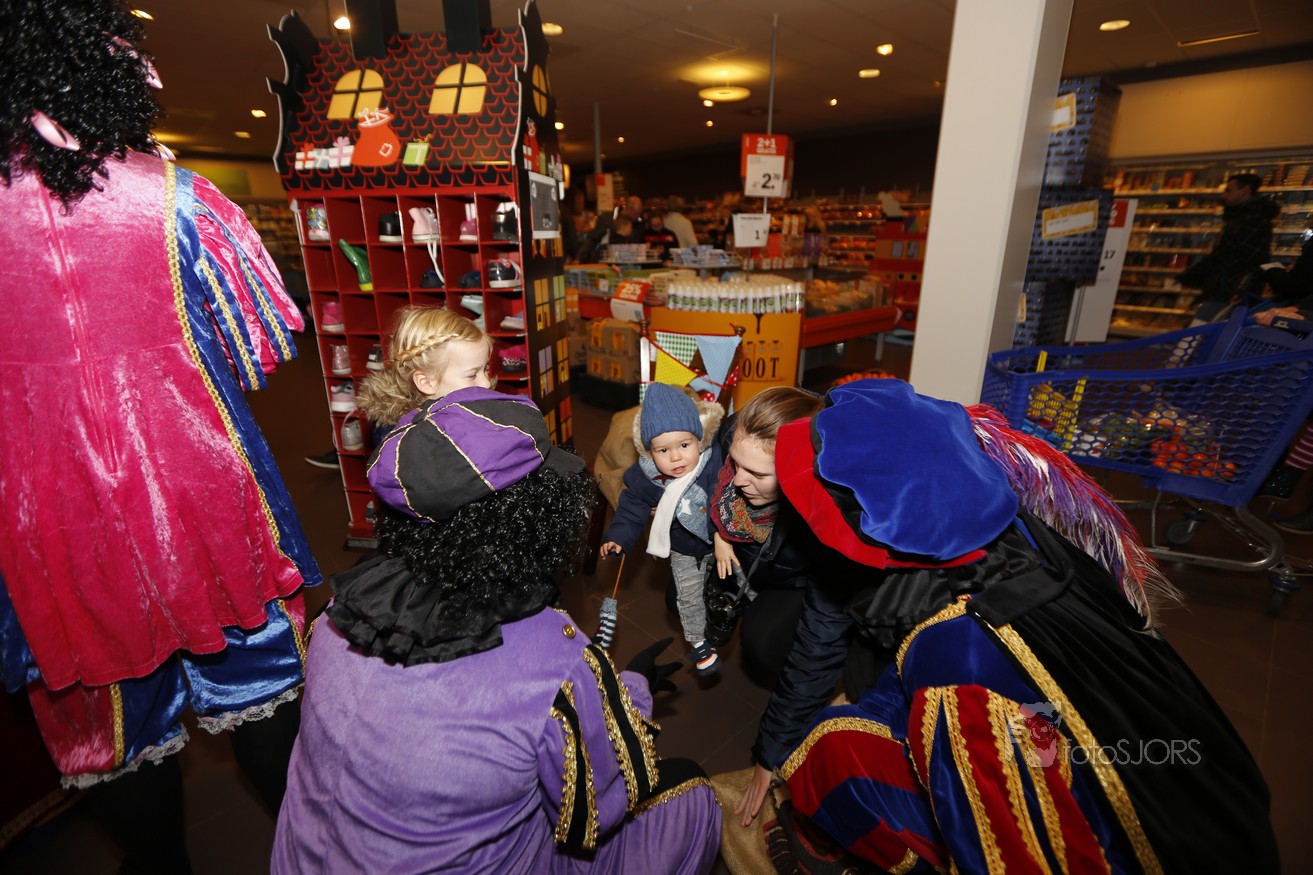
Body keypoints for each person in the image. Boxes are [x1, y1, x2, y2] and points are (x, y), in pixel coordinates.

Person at [0, 3, 320, 871]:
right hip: (197, 485)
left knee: (105, 719)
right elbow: (256, 348)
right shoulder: (175, 196)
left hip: (46, 516)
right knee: (260, 677)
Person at [754, 380, 1279, 872]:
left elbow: (1010, 847)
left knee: (833, 756)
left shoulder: (956, 659)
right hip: (1192, 795)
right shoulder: (1019, 545)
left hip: (1111, 836)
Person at [272, 386, 722, 874]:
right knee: (690, 790)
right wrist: (632, 690)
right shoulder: (555, 662)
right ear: (534, 514)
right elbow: (595, 809)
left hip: (300, 861)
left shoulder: (342, 612)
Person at [600, 384, 725, 674]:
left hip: (721, 540)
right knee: (688, 595)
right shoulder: (646, 478)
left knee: (735, 576)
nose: (676, 457)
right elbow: (631, 509)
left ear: (699, 439)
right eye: (663, 450)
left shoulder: (713, 463)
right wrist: (618, 538)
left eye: (684, 445)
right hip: (683, 548)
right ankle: (698, 643)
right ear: (649, 451)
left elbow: (727, 496)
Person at [356, 305, 493, 429]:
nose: (486, 383)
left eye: (485, 369)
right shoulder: (410, 440)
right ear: (426, 382)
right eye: (472, 375)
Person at [1178, 172, 1279, 324]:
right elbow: (1222, 255)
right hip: (1223, 290)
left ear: (1245, 191)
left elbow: (1255, 260)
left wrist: (1242, 289)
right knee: (1207, 334)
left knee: (1198, 333)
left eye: (1228, 191)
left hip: (1229, 292)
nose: (1224, 195)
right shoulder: (1239, 218)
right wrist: (1189, 276)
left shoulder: (1252, 220)